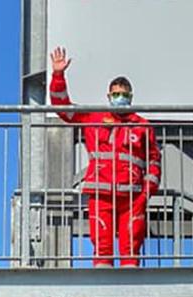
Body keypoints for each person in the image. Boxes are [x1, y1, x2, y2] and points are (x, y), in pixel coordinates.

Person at [48, 46, 162, 267]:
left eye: (124, 95)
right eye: (116, 94)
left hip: (132, 196)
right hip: (101, 192)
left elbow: (154, 162)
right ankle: (102, 280)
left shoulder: (142, 126)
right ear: (109, 96)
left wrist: (145, 194)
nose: (120, 98)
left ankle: (130, 283)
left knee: (131, 250)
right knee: (102, 249)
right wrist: (58, 75)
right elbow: (63, 109)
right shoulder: (94, 117)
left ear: (131, 97)